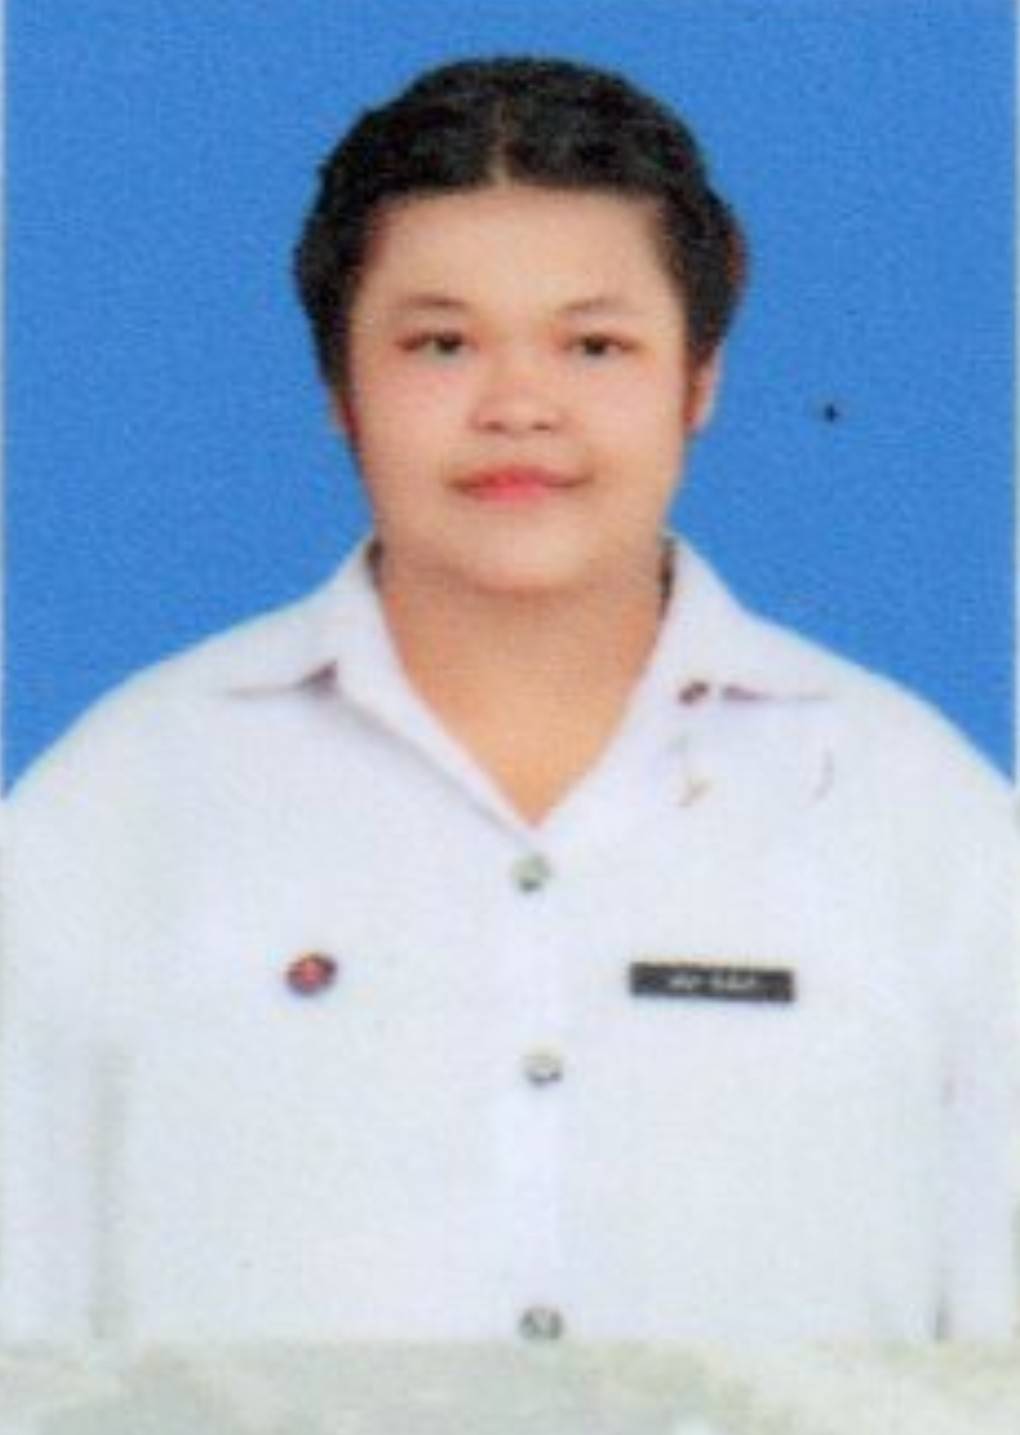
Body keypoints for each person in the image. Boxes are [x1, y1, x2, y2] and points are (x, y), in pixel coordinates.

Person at [1, 56, 1016, 1344]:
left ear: (698, 379)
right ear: (341, 389)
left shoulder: (916, 812)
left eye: (594, 345)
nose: (519, 408)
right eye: (441, 344)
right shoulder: (124, 802)